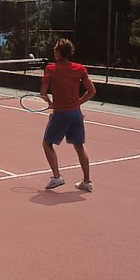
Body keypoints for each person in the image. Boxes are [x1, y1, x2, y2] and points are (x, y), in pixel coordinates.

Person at [40, 38, 96, 192]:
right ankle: (87, 181)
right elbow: (92, 91)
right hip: (76, 114)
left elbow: (43, 93)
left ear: (58, 53)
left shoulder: (50, 69)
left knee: (47, 144)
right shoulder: (80, 69)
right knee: (79, 146)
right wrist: (78, 103)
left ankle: (57, 177)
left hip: (61, 114)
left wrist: (50, 103)